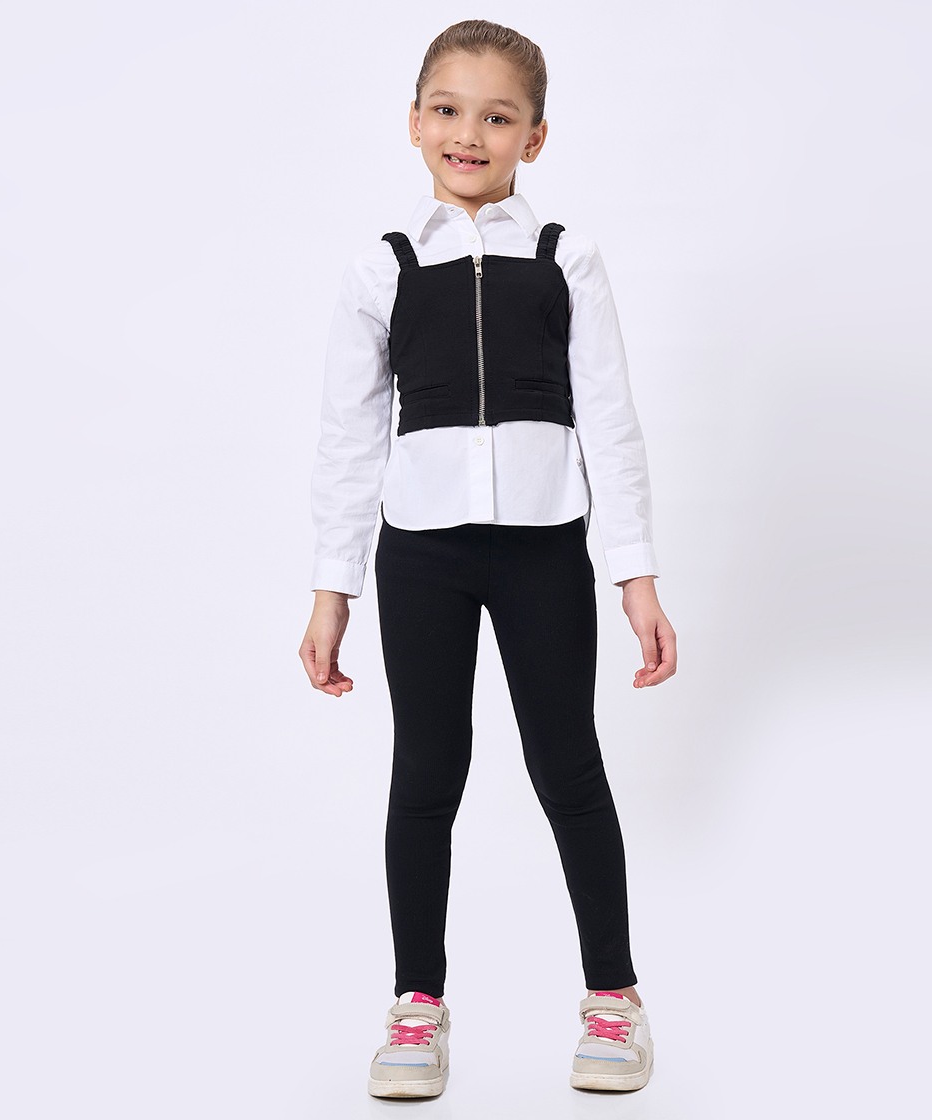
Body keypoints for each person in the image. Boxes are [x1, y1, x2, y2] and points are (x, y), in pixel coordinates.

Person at [298, 18, 676, 1098]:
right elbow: (348, 437)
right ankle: (416, 1005)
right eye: (449, 110)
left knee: (568, 766)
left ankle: (615, 998)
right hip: (421, 555)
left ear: (534, 137)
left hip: (543, 552)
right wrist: (332, 590)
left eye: (498, 116)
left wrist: (635, 574)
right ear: (416, 123)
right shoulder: (382, 268)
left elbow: (611, 422)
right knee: (427, 773)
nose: (471, 133)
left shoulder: (565, 258)